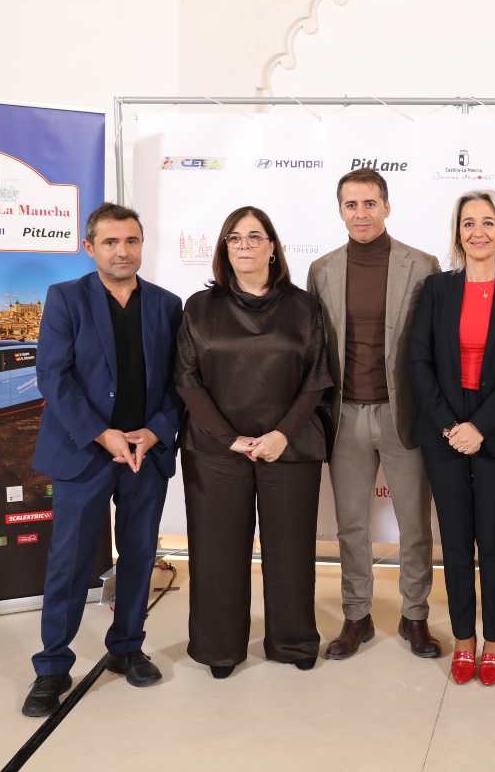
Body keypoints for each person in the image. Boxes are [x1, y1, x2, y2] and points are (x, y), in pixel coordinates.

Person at [24, 203, 182, 716]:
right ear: (89, 247)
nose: (123, 250)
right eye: (111, 242)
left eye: (131, 240)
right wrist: (102, 434)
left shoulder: (166, 304)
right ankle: (51, 667)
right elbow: (54, 376)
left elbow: (181, 382)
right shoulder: (66, 299)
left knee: (138, 555)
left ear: (142, 244)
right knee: (69, 563)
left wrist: (155, 433)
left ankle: (127, 647)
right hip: (84, 452)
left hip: (144, 455)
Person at [175, 206, 332, 679]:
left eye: (254, 236)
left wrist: (281, 434)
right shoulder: (199, 308)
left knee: (291, 550)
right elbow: (186, 380)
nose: (244, 244)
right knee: (217, 552)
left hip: (290, 445)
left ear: (272, 246)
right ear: (225, 249)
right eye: (234, 238)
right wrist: (232, 439)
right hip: (217, 449)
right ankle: (219, 646)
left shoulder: (304, 307)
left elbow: (318, 379)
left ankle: (293, 640)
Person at [308, 169, 443, 660]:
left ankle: (415, 617)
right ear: (340, 210)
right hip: (344, 416)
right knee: (351, 525)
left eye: (369, 204)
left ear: (387, 207)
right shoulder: (322, 270)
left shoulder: (423, 265)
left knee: (414, 523)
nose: (361, 213)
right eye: (351, 205)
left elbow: (433, 346)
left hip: (402, 414)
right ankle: (356, 616)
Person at [409, 190, 495, 686]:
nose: (478, 232)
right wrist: (450, 426)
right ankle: (464, 640)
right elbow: (419, 361)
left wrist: (480, 426)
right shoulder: (437, 289)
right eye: (468, 223)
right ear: (457, 233)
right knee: (457, 542)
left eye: (488, 222)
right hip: (445, 433)